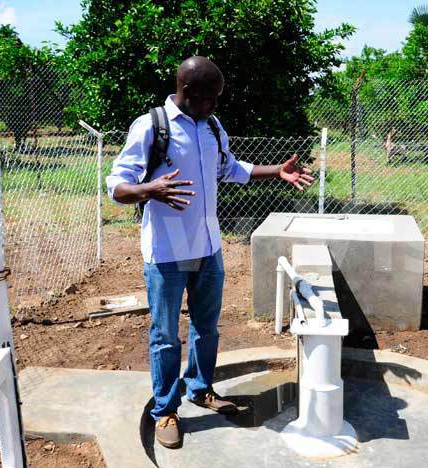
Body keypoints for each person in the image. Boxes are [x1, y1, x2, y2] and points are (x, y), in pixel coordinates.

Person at [106, 56, 314, 449]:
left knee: (207, 327)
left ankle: (200, 388)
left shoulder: (212, 127)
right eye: (212, 97)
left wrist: (277, 172)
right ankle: (165, 410)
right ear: (189, 92)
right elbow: (117, 183)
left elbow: (229, 168)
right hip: (166, 251)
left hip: (207, 247)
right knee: (166, 335)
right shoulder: (152, 127)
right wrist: (147, 190)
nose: (216, 104)